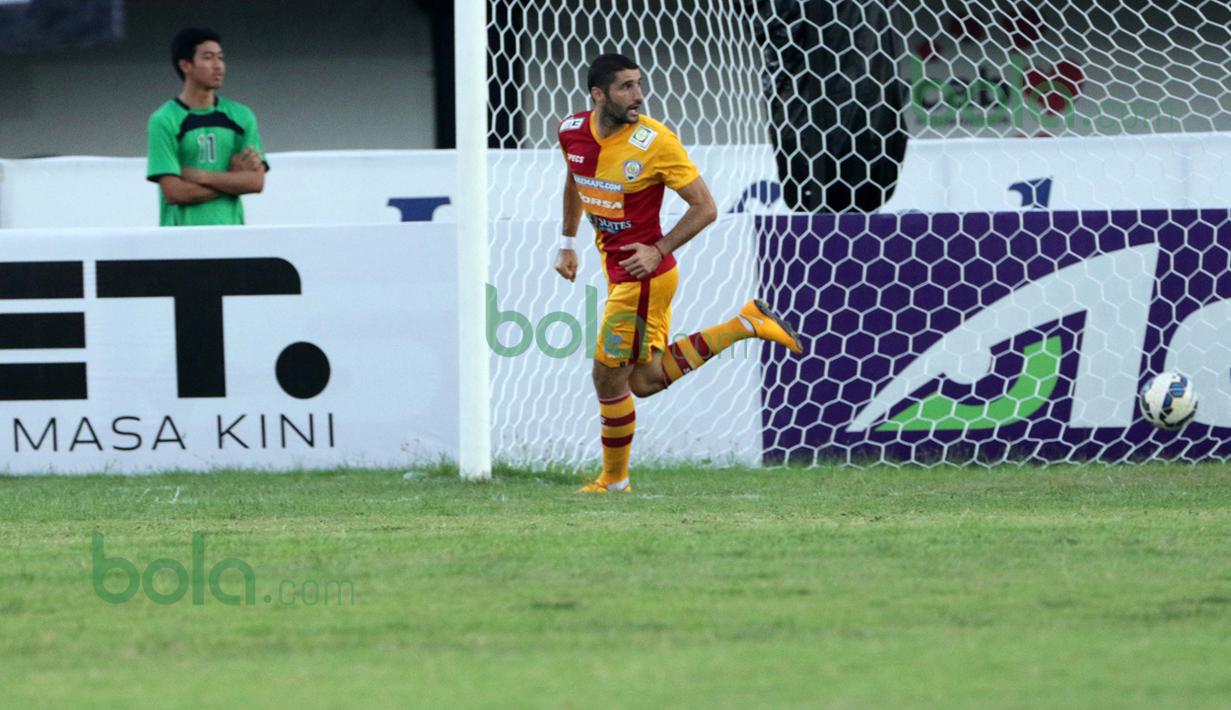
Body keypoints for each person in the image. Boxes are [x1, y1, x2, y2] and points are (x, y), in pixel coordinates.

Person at [555, 53, 803, 494]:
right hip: (617, 270)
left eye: (639, 83)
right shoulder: (572, 132)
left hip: (643, 276)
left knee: (607, 375)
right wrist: (568, 243)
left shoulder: (656, 142)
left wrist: (658, 249)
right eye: (626, 87)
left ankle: (614, 482)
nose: (638, 95)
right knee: (645, 381)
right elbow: (575, 179)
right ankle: (746, 323)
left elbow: (705, 207)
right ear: (598, 95)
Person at [146, 28, 267, 227]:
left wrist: (201, 176)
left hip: (232, 238)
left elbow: (255, 182)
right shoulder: (164, 120)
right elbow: (174, 192)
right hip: (181, 242)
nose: (218, 66)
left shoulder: (241, 116)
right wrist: (233, 179)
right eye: (208, 57)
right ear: (186, 65)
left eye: (220, 58)